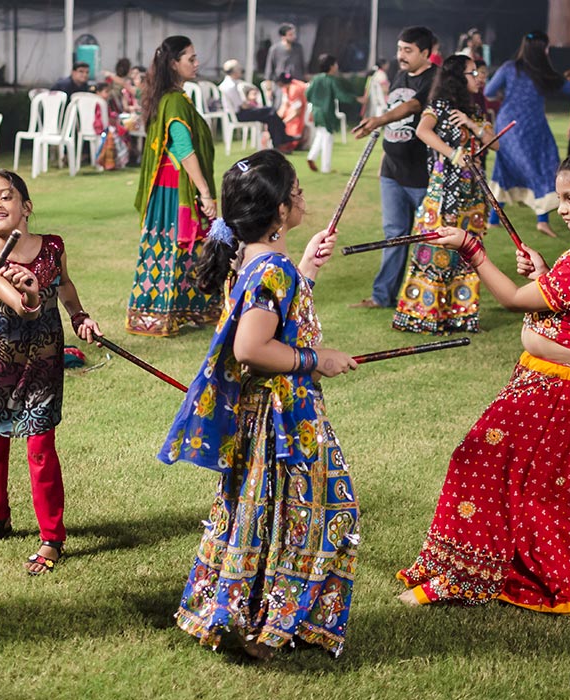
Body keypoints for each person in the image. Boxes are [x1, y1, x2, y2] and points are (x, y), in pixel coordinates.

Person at [396, 146, 570, 612]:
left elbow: (515, 298)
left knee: (476, 463)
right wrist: (545, 273)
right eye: (561, 199)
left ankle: (462, 576)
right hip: (558, 385)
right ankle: (489, 565)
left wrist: (473, 251)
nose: (563, 209)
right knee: (532, 485)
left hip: (552, 390)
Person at [160, 150, 358, 658]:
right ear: (277, 209)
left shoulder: (249, 259)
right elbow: (253, 347)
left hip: (259, 414)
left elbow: (273, 318)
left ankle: (237, 615)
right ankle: (271, 628)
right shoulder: (271, 269)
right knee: (321, 513)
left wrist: (307, 265)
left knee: (256, 512)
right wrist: (318, 359)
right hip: (285, 418)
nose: (302, 196)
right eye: (296, 190)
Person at [0, 171, 101, 575]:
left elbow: (66, 285)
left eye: (6, 195)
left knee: (40, 449)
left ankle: (52, 537)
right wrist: (32, 294)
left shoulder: (53, 246)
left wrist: (80, 316)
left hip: (42, 363)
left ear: (26, 206)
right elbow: (25, 308)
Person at [392, 54, 498, 334]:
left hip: (472, 198)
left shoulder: (476, 111)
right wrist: (452, 153)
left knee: (467, 254)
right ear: (457, 79)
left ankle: (459, 316)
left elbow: (495, 144)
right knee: (436, 252)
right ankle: (424, 315)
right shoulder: (438, 106)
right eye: (473, 73)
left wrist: (472, 124)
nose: (479, 77)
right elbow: (422, 131)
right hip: (443, 196)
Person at [127, 36, 220, 336]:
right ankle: (174, 312)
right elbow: (183, 149)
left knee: (172, 251)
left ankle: (172, 311)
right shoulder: (176, 101)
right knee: (179, 248)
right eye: (190, 59)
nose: (196, 63)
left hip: (164, 189)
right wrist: (205, 191)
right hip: (175, 190)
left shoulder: (165, 97)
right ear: (173, 63)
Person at [351, 25, 438, 309]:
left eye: (408, 50)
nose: (401, 55)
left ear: (426, 53)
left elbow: (413, 106)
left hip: (420, 175)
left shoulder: (435, 79)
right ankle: (382, 296)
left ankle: (424, 300)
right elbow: (395, 126)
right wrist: (382, 161)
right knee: (393, 235)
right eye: (400, 49)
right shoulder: (401, 74)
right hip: (392, 172)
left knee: (427, 239)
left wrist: (378, 119)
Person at [484, 30, 570, 238]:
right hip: (533, 128)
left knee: (505, 168)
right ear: (542, 49)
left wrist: (506, 95)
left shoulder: (509, 69)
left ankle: (492, 219)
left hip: (507, 127)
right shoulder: (544, 73)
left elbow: (488, 91)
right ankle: (542, 220)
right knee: (544, 167)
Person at [219, 59, 296, 149]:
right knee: (270, 111)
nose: (241, 71)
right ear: (234, 72)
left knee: (270, 115)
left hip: (237, 112)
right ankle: (281, 140)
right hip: (239, 114)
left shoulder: (228, 84)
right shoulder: (230, 86)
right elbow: (242, 106)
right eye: (240, 69)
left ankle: (279, 141)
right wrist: (254, 106)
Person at [305, 54, 361, 173]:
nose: (337, 66)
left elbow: (308, 94)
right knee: (328, 137)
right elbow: (341, 95)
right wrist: (356, 99)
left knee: (321, 134)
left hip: (316, 111)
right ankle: (326, 167)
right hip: (326, 112)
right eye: (335, 64)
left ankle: (311, 157)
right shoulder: (331, 80)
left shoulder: (316, 79)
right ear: (331, 66)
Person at [276, 71, 308, 150]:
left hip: (301, 114)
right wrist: (276, 118)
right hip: (293, 112)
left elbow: (297, 112)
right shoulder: (287, 87)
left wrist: (283, 122)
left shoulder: (295, 90)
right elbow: (284, 105)